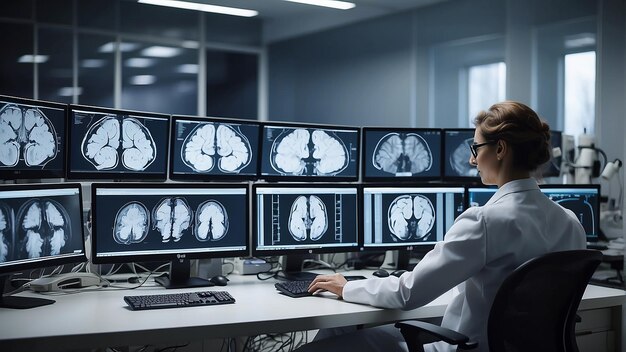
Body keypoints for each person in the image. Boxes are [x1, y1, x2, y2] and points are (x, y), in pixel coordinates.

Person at [297, 101, 587, 352]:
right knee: (340, 331)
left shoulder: (483, 221)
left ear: (500, 149)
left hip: (464, 345)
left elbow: (407, 293)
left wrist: (347, 287)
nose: (473, 159)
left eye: (477, 147)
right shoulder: (570, 223)